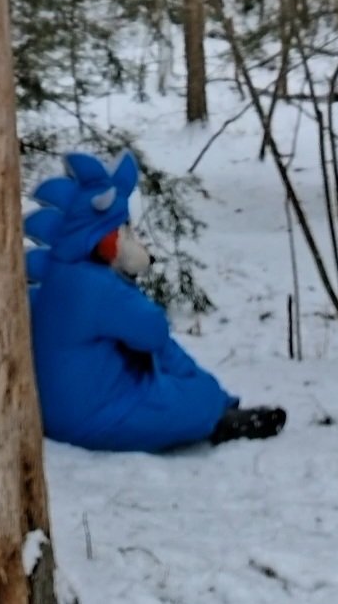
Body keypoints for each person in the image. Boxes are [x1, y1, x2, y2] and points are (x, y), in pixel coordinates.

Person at [25, 150, 286, 452]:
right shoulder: (99, 288)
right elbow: (153, 331)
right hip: (94, 420)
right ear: (105, 238)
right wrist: (126, 285)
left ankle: (216, 405)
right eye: (124, 230)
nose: (129, 239)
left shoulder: (57, 280)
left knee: (158, 370)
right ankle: (217, 416)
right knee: (196, 396)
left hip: (54, 415)